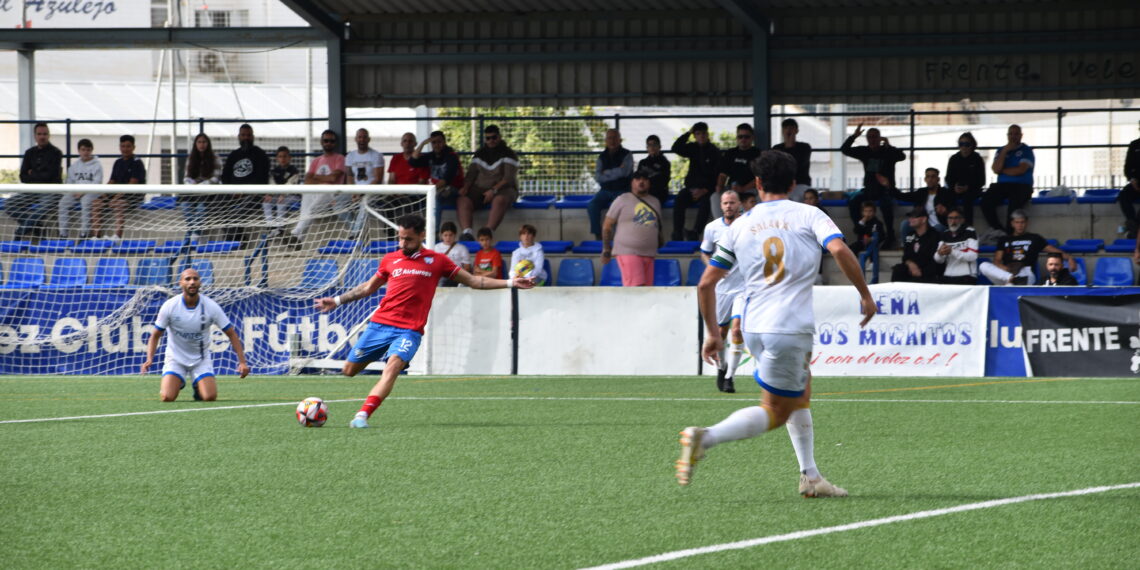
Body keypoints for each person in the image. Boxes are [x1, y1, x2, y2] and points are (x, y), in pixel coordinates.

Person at [680, 150, 876, 497]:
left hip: (755, 327)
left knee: (801, 390)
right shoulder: (808, 214)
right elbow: (841, 250)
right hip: (789, 327)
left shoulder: (740, 224)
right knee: (774, 411)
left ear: (757, 184)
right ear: (794, 184)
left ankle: (811, 476)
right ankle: (706, 437)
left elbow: (706, 283)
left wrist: (713, 333)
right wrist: (864, 293)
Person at [313, 214, 535, 429]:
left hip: (409, 330)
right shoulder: (391, 259)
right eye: (400, 238)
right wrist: (337, 300)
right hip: (379, 325)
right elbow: (367, 288)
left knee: (392, 368)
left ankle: (362, 416)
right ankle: (383, 359)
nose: (403, 243)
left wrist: (511, 283)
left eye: (408, 238)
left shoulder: (437, 261)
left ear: (421, 236)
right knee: (349, 370)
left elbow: (475, 281)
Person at [141, 268, 250, 402]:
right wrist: (149, 358)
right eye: (187, 279)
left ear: (200, 283)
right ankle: (178, 380)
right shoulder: (170, 306)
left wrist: (242, 362)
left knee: (209, 397)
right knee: (167, 397)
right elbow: (155, 335)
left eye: (195, 279)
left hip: (200, 360)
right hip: (175, 359)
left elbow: (231, 333)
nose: (192, 282)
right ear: (180, 283)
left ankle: (198, 386)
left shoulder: (211, 306)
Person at [699, 189, 744, 393]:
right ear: (721, 206)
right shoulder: (712, 228)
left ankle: (730, 377)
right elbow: (705, 253)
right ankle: (721, 367)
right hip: (722, 289)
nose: (729, 206)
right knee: (721, 333)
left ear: (739, 204)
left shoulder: (747, 226)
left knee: (737, 329)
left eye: (732, 202)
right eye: (725, 203)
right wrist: (714, 269)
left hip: (744, 287)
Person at [841, 123, 906, 247]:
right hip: (870, 189)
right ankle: (861, 231)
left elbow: (902, 156)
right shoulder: (864, 151)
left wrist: (888, 145)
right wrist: (854, 136)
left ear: (879, 138)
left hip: (886, 190)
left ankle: (890, 236)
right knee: (854, 201)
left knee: (886, 204)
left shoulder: (887, 151)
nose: (872, 140)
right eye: (869, 137)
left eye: (875, 137)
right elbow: (845, 149)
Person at [978, 210, 1073, 285]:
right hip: (1006, 272)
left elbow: (1053, 250)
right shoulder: (1004, 239)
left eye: (1022, 222)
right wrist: (1005, 269)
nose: (1020, 225)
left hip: (1025, 271)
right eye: (1017, 222)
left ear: (1027, 223)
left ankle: (1011, 281)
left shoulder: (1034, 238)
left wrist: (1069, 258)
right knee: (983, 266)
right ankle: (1010, 278)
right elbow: (997, 260)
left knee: (1010, 287)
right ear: (1012, 223)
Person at [457, 125, 518, 240]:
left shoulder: (509, 154)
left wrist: (493, 190)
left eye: (494, 137)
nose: (491, 141)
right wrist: (465, 187)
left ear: (499, 137)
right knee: (462, 200)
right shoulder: (479, 153)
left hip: (504, 189)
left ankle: (487, 233)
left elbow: (508, 178)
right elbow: (471, 175)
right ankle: (467, 233)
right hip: (480, 189)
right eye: (488, 138)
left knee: (499, 200)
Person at [288, 129, 345, 250]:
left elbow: (333, 178)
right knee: (306, 204)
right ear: (321, 142)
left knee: (312, 209)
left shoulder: (339, 158)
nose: (328, 143)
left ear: (335, 143)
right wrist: (324, 179)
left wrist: (316, 177)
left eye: (331, 141)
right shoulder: (316, 161)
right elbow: (307, 180)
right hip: (315, 192)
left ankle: (296, 233)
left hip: (331, 193)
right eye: (326, 140)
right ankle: (297, 238)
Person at [602, 172, 662, 287]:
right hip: (628, 252)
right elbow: (607, 225)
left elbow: (657, 226)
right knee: (636, 288)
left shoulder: (655, 201)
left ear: (649, 183)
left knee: (646, 291)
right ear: (632, 183)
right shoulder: (622, 199)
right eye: (637, 179)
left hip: (649, 253)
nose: (641, 181)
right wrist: (606, 249)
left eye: (645, 179)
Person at [980, 124, 1034, 241]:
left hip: (1022, 185)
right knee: (986, 201)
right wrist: (1005, 151)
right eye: (1011, 134)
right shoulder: (1001, 151)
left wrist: (1003, 171)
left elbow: (1020, 170)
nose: (1013, 136)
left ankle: (1010, 235)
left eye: (1016, 134)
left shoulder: (1026, 150)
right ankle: (998, 229)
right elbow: (995, 169)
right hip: (1003, 185)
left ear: (1021, 136)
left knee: (1014, 205)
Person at [10, 122, 63, 240]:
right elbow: (23, 176)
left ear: (49, 135)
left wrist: (32, 174)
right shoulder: (29, 153)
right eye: (39, 134)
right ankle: (36, 227)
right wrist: (39, 175)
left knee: (41, 208)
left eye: (44, 134)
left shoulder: (56, 153)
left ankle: (21, 231)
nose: (42, 137)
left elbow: (51, 176)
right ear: (35, 136)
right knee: (9, 204)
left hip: (51, 191)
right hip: (32, 190)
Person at [221, 124, 271, 244]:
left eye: (248, 135)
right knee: (218, 201)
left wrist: (244, 191)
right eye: (243, 135)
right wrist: (232, 191)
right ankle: (238, 238)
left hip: (254, 195)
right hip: (233, 194)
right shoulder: (233, 155)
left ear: (253, 137)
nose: (246, 138)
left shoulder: (260, 154)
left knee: (238, 212)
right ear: (239, 136)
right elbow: (225, 176)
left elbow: (262, 178)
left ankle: (232, 240)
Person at [671, 122, 721, 241]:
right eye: (698, 134)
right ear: (695, 136)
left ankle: (695, 232)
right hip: (691, 188)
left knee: (706, 203)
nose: (701, 136)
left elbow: (717, 175)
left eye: (703, 133)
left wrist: (705, 190)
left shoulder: (714, 151)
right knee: (679, 199)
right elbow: (675, 148)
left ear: (707, 134)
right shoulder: (692, 148)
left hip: (707, 189)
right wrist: (688, 133)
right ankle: (677, 233)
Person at [410, 130, 465, 234]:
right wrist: (423, 143)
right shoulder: (431, 156)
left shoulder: (451, 156)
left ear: (444, 142)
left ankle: (433, 233)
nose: (437, 145)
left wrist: (431, 190)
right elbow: (413, 161)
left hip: (453, 189)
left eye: (439, 142)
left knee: (436, 197)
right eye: (433, 142)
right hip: (436, 189)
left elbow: (447, 179)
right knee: (417, 198)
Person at [96, 134, 146, 240]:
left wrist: (117, 196)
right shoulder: (118, 162)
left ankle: (117, 236)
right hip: (116, 194)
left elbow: (132, 183)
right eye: (123, 146)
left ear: (133, 147)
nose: (125, 149)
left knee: (117, 203)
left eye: (128, 146)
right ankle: (96, 236)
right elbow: (112, 180)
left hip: (133, 195)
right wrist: (104, 193)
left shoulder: (137, 163)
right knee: (96, 203)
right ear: (120, 147)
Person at [588, 128, 634, 240]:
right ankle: (598, 235)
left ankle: (618, 237)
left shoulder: (627, 154)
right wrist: (617, 170)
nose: (612, 140)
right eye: (609, 138)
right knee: (592, 205)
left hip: (622, 190)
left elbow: (625, 172)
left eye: (615, 138)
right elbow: (598, 177)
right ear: (606, 140)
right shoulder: (602, 157)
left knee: (618, 207)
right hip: (605, 191)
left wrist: (606, 173)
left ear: (620, 140)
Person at [712, 123, 761, 220]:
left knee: (754, 200)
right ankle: (721, 224)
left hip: (750, 189)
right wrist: (719, 186)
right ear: (737, 138)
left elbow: (759, 177)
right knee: (715, 196)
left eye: (746, 137)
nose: (743, 139)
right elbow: (723, 174)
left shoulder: (757, 153)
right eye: (740, 136)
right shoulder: (730, 153)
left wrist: (743, 188)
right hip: (732, 188)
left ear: (752, 138)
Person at [58, 138, 102, 240]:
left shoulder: (97, 165)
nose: (85, 152)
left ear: (91, 150)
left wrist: (83, 192)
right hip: (76, 192)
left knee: (86, 202)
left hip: (92, 192)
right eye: (83, 150)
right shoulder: (74, 166)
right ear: (79, 151)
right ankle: (63, 234)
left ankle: (84, 233)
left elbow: (97, 183)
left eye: (88, 150)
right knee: (63, 203)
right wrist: (75, 191)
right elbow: (69, 182)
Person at [345, 128, 385, 239]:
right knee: (337, 203)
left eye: (364, 137)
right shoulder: (350, 156)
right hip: (355, 191)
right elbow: (349, 177)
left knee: (364, 203)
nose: (362, 139)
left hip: (372, 192)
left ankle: (355, 233)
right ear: (355, 139)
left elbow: (378, 179)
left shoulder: (376, 156)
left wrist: (361, 193)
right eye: (359, 137)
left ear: (369, 139)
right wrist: (353, 192)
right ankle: (355, 227)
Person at [889, 168, 950, 240]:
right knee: (905, 224)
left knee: (938, 228)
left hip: (940, 224)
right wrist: (889, 186)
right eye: (928, 177)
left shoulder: (945, 193)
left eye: (933, 177)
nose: (930, 179)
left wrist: (945, 212)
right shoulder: (921, 192)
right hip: (921, 224)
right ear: (925, 179)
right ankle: (906, 248)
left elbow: (953, 211)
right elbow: (901, 196)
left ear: (938, 179)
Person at [181, 133, 222, 241]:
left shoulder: (215, 158)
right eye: (199, 142)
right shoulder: (191, 158)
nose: (201, 144)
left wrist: (201, 185)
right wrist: (191, 185)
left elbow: (216, 178)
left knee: (201, 207)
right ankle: (192, 232)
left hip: (208, 191)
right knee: (185, 205)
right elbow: (186, 177)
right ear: (195, 144)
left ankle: (195, 234)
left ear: (208, 144)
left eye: (204, 142)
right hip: (192, 191)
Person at [944, 131, 986, 228]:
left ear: (972, 145)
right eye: (961, 144)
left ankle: (968, 228)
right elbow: (948, 177)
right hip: (955, 189)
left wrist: (968, 187)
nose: (964, 147)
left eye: (967, 144)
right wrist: (954, 186)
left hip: (972, 190)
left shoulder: (977, 159)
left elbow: (981, 180)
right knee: (947, 197)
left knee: (968, 200)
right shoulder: (954, 159)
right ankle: (950, 226)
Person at [891, 208, 943, 283]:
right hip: (912, 268)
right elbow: (906, 256)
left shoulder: (935, 235)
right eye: (910, 217)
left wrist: (916, 267)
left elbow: (931, 257)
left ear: (924, 219)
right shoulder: (910, 235)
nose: (910, 219)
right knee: (899, 269)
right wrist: (911, 264)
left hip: (928, 270)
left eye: (914, 217)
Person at [933, 208, 978, 285]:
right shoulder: (945, 234)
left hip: (967, 276)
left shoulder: (970, 232)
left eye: (956, 218)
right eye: (950, 218)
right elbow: (939, 260)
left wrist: (952, 251)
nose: (953, 221)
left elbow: (973, 256)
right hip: (948, 275)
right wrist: (940, 253)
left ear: (962, 220)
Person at [772, 118, 812, 201]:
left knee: (796, 198)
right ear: (782, 131)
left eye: (791, 128)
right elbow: (774, 167)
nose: (788, 131)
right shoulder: (776, 148)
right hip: (782, 185)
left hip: (800, 183)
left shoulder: (804, 147)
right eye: (786, 128)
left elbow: (799, 165)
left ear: (796, 131)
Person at [265, 146, 300, 237]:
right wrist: (270, 194)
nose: (282, 159)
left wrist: (283, 194)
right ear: (277, 158)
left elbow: (291, 184)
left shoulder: (294, 170)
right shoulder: (274, 171)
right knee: (266, 202)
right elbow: (271, 184)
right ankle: (271, 227)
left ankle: (280, 228)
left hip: (292, 196)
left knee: (281, 202)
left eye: (285, 156)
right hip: (277, 195)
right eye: (280, 156)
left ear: (289, 158)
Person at [1117, 121, 1139, 239]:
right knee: (1124, 196)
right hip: (1137, 182)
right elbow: (1127, 167)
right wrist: (1132, 180)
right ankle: (1132, 224)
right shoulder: (1134, 145)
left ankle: (1135, 226)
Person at [432, 221, 472, 286]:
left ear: (455, 235)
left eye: (450, 235)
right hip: (442, 276)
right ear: (441, 235)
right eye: (445, 235)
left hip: (457, 276)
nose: (448, 238)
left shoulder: (462, 248)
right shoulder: (436, 248)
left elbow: (467, 268)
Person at [637, 134, 671, 204]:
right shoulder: (642, 162)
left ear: (659, 147)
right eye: (649, 145)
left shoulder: (665, 163)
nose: (652, 147)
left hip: (659, 193)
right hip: (644, 191)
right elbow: (638, 178)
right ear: (647, 148)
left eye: (654, 145)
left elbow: (664, 181)